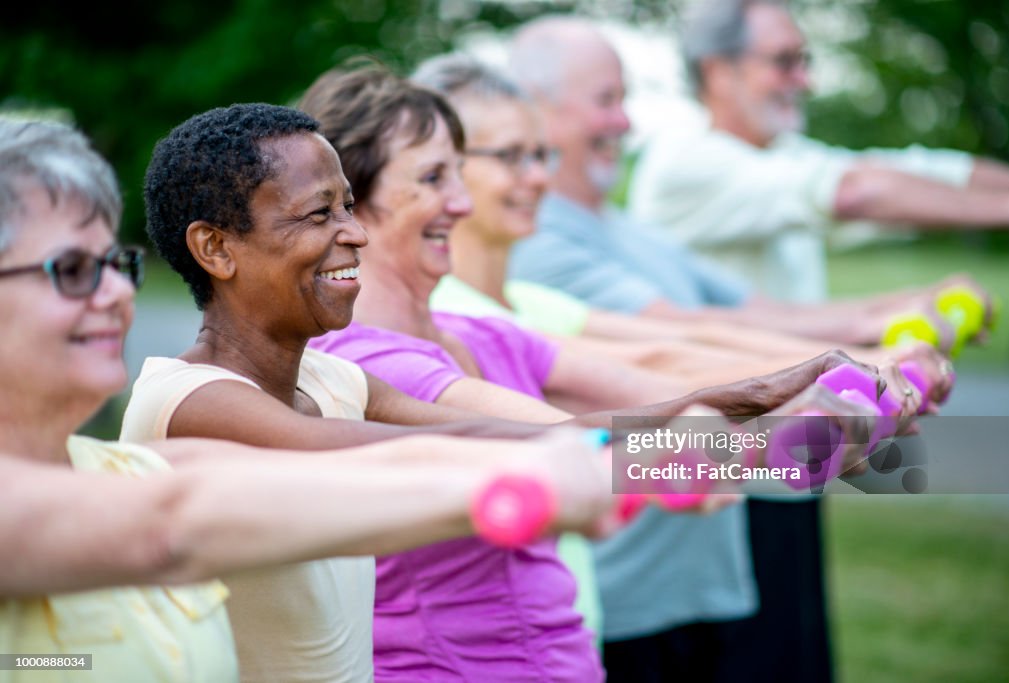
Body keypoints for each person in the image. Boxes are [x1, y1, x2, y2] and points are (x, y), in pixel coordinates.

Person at [295, 61, 904, 682]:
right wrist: (761, 443)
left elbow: (655, 374)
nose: (462, 200)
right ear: (351, 207)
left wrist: (826, 383)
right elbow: (577, 443)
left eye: (458, 172)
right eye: (432, 178)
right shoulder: (369, 360)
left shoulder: (482, 335)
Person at [0, 117, 615, 682]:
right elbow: (384, 466)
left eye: (114, 264)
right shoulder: (191, 410)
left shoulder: (134, 472)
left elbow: (480, 437)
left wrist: (688, 446)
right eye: (73, 270)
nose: (114, 290)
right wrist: (560, 470)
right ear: (215, 249)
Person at [502, 16, 930, 682]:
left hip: (705, 576)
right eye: (606, 99)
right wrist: (838, 374)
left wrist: (887, 323)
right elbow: (666, 354)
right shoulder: (531, 256)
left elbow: (729, 323)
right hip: (622, 600)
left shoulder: (618, 233)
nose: (625, 122)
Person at [412, 51, 956, 390]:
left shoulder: (534, 304)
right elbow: (574, 435)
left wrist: (859, 361)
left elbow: (682, 342)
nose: (537, 178)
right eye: (511, 157)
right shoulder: (448, 321)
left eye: (541, 155)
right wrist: (755, 444)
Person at [629, 0, 1009, 303]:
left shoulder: (783, 154)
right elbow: (854, 192)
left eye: (805, 61)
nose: (805, 81)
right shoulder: (684, 159)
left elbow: (916, 171)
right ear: (718, 73)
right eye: (784, 61)